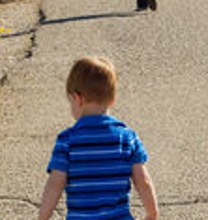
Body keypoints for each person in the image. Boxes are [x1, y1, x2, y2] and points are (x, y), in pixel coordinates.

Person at [38, 57, 159, 220]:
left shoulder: (67, 141)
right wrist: (152, 214)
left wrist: (43, 217)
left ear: (77, 98)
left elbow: (55, 184)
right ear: (112, 99)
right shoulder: (127, 138)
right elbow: (143, 181)